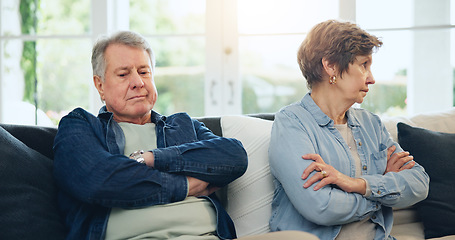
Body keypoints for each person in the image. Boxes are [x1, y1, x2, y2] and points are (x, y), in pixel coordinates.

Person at [53, 31, 318, 240]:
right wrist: (186, 186)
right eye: (123, 74)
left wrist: (150, 158)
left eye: (144, 72)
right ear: (100, 85)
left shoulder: (181, 125)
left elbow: (233, 156)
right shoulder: (81, 126)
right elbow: (99, 179)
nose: (138, 82)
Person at [268, 20, 430, 240]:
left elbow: (419, 183)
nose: (371, 78)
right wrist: (381, 192)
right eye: (364, 64)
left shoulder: (371, 123)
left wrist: (358, 184)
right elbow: (321, 206)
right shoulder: (292, 123)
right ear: (331, 66)